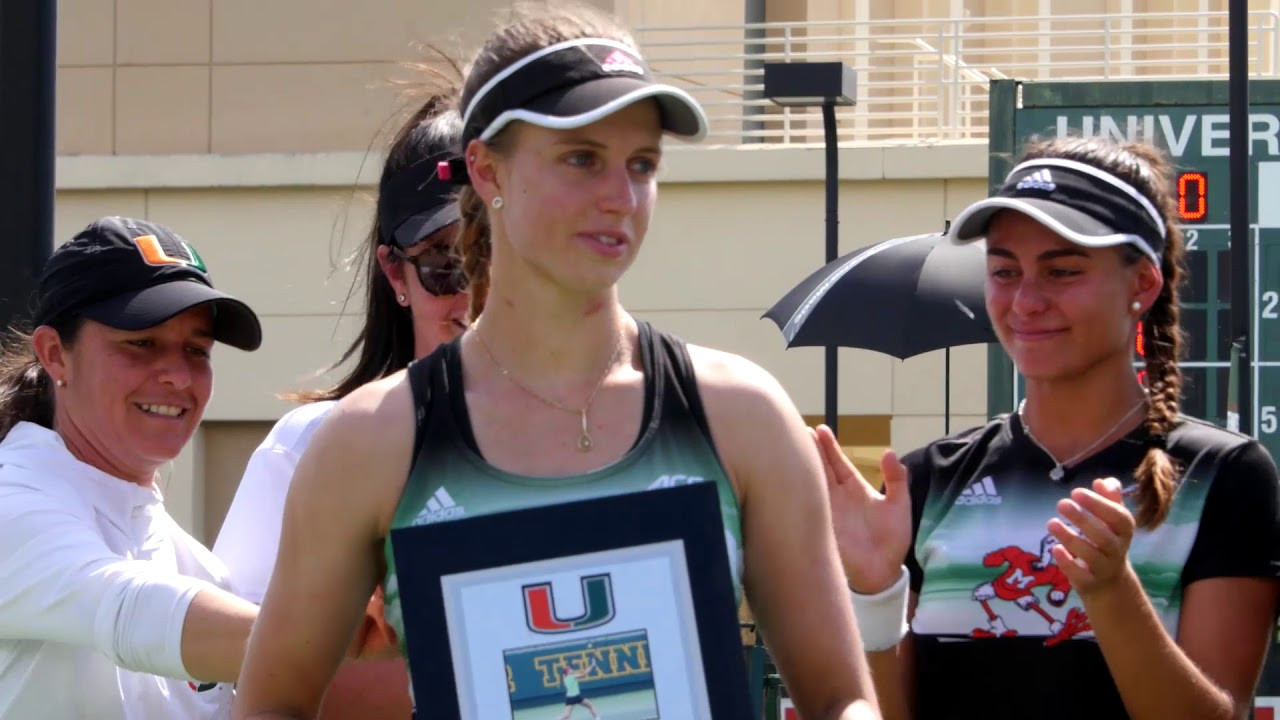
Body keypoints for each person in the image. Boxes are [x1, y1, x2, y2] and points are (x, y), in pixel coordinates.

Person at [230, 3, 880, 720]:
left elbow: (840, 697)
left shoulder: (743, 416)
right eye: (582, 159)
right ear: (485, 169)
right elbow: (270, 704)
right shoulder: (370, 443)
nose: (621, 197)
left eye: (642, 164)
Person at [818, 135, 1280, 719]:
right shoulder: (926, 480)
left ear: (1142, 284)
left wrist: (1111, 590)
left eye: (1062, 271)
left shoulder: (1225, 475)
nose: (1026, 302)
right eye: (1004, 271)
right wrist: (875, 592)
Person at [212, 88, 471, 720]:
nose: (477, 295)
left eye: (500, 256)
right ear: (394, 274)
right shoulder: (318, 447)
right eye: (446, 263)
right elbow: (223, 687)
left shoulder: (603, 437)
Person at [0, 217, 264, 720]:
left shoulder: (200, 569)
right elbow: (126, 609)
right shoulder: (11, 500)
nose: (178, 375)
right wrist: (344, 635)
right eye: (141, 343)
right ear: (56, 354)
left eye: (197, 349)